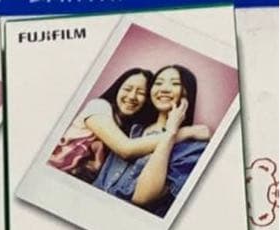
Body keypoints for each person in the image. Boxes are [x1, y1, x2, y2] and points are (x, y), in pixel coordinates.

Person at [48, 68, 209, 185]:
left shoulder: (131, 129)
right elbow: (126, 149)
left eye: (141, 93)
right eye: (127, 89)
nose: (132, 96)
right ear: (117, 88)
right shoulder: (99, 107)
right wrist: (187, 132)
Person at [93, 65, 210, 216]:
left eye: (175, 83)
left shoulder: (193, 148)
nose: (164, 89)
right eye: (158, 83)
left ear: (187, 94)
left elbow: (142, 198)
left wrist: (171, 133)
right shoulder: (130, 128)